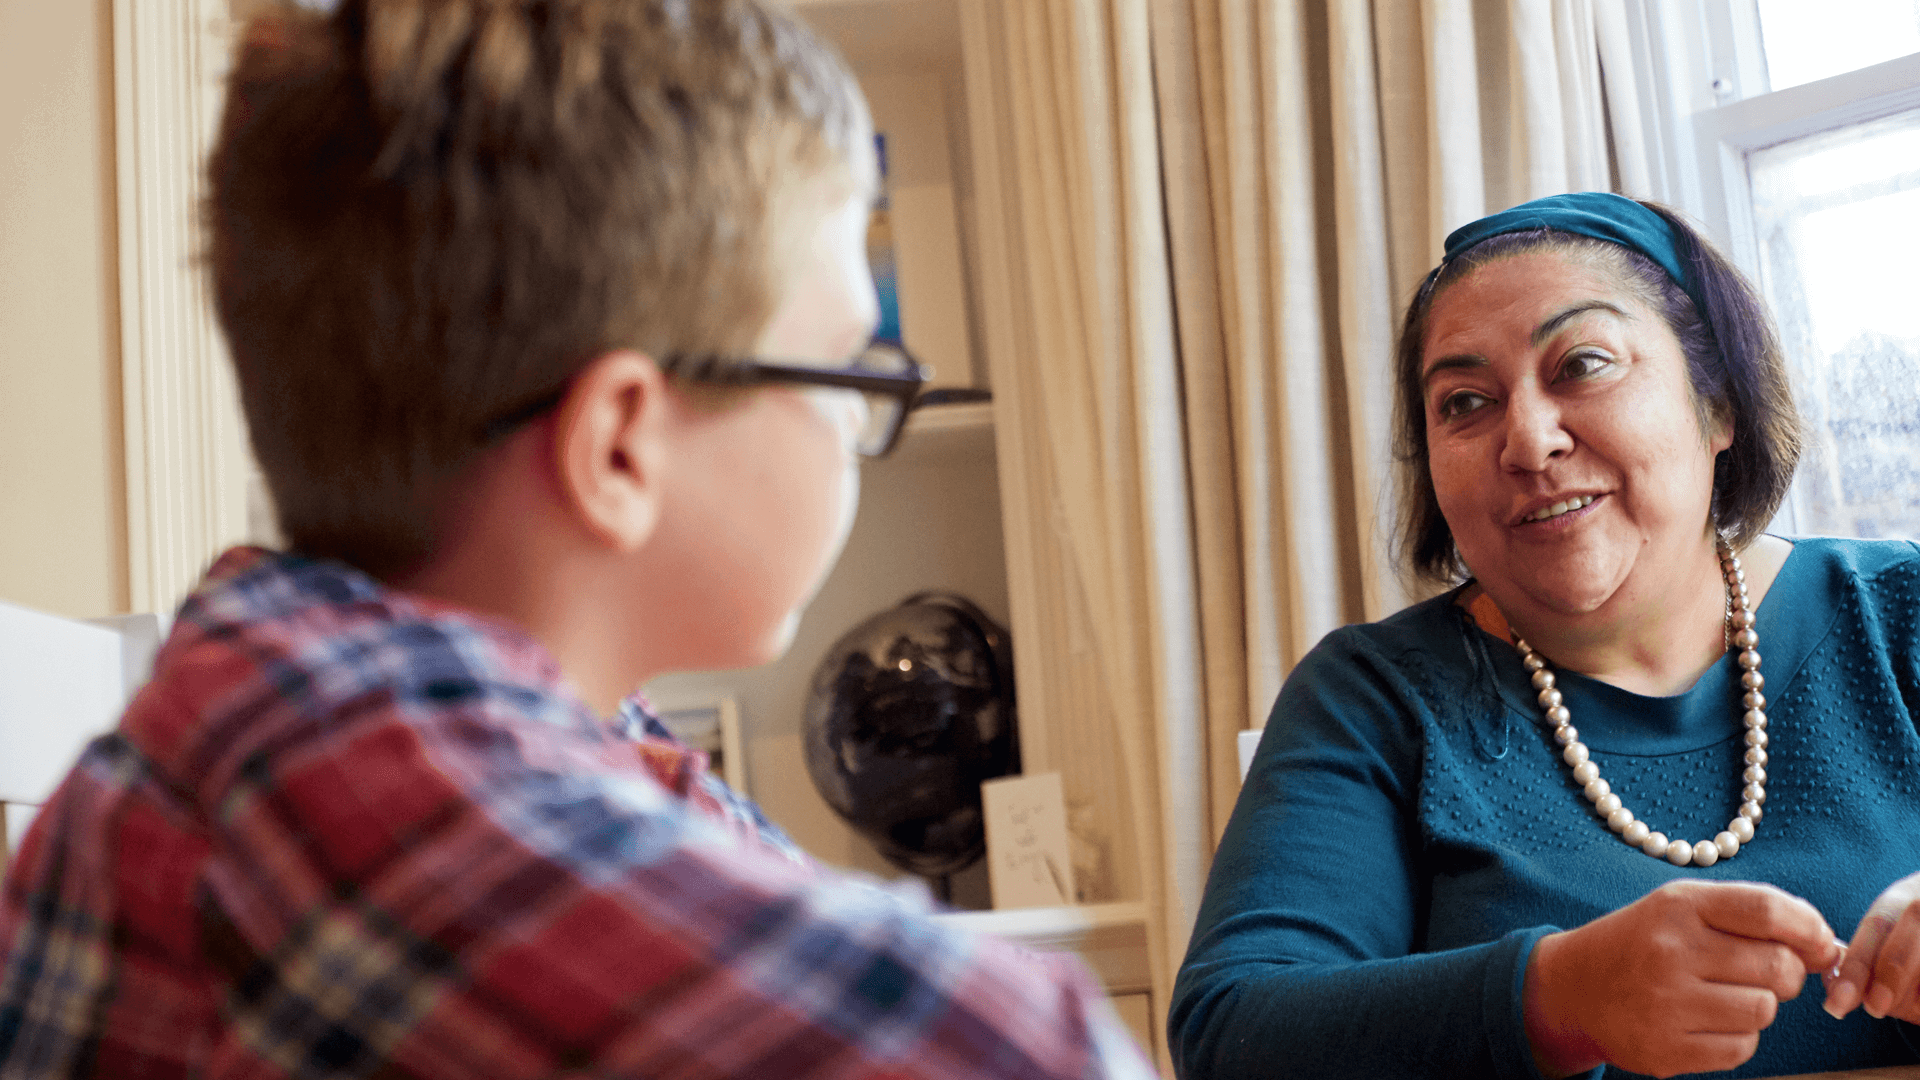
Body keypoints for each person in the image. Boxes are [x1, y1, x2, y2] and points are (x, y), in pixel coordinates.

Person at [0, 2, 1155, 1078]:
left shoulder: (481, 715)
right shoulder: (310, 792)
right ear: (618, 448)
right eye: (849, 370)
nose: (863, 419)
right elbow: (1010, 1049)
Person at [1169, 191, 1920, 1079]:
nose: (1527, 440)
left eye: (1585, 363)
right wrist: (1558, 999)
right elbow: (1232, 1034)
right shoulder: (1373, 697)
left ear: (1716, 407)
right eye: (1463, 402)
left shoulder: (1898, 616)